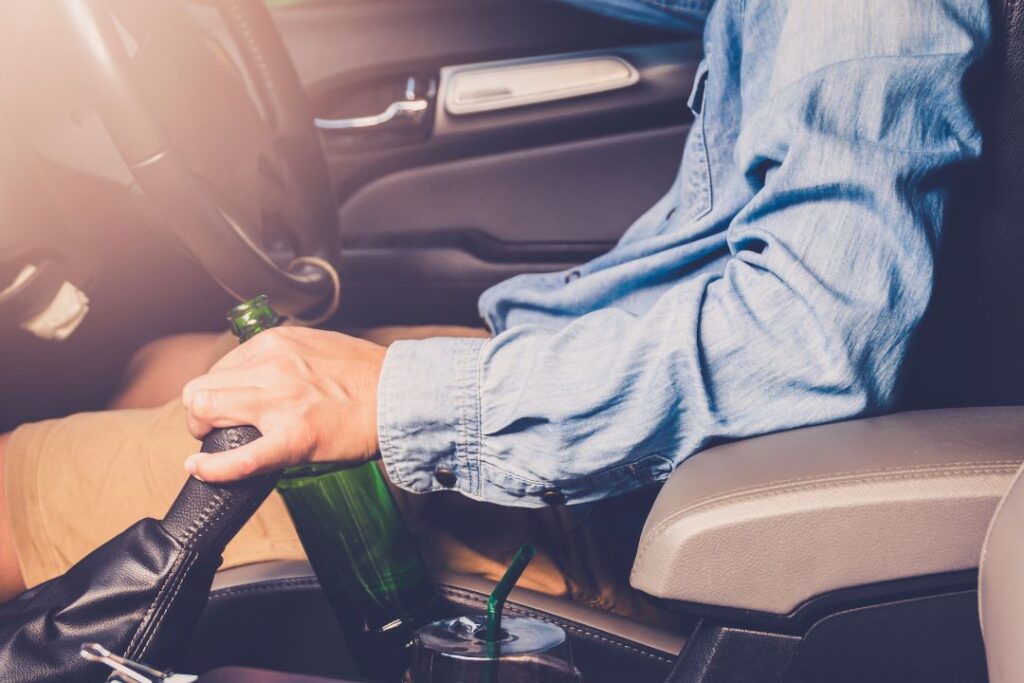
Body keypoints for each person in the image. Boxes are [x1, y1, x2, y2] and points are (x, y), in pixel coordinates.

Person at [0, 0, 991, 620]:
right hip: (622, 404)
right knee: (163, 363)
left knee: (12, 493)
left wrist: (394, 400)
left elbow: (813, 340)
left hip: (628, 499)